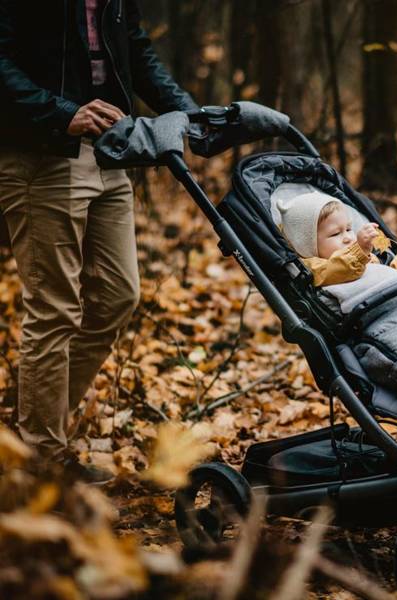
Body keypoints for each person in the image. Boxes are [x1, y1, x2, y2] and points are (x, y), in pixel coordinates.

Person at [0, 0, 199, 481]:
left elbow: (134, 48)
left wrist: (190, 111)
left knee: (117, 295)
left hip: (110, 148)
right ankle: (42, 460)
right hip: (41, 150)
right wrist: (60, 112)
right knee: (55, 308)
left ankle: (27, 424)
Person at [277, 190, 397, 288]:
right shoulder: (313, 268)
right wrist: (358, 251)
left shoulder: (363, 258)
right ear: (307, 245)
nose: (347, 238)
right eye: (336, 234)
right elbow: (338, 269)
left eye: (349, 229)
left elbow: (395, 271)